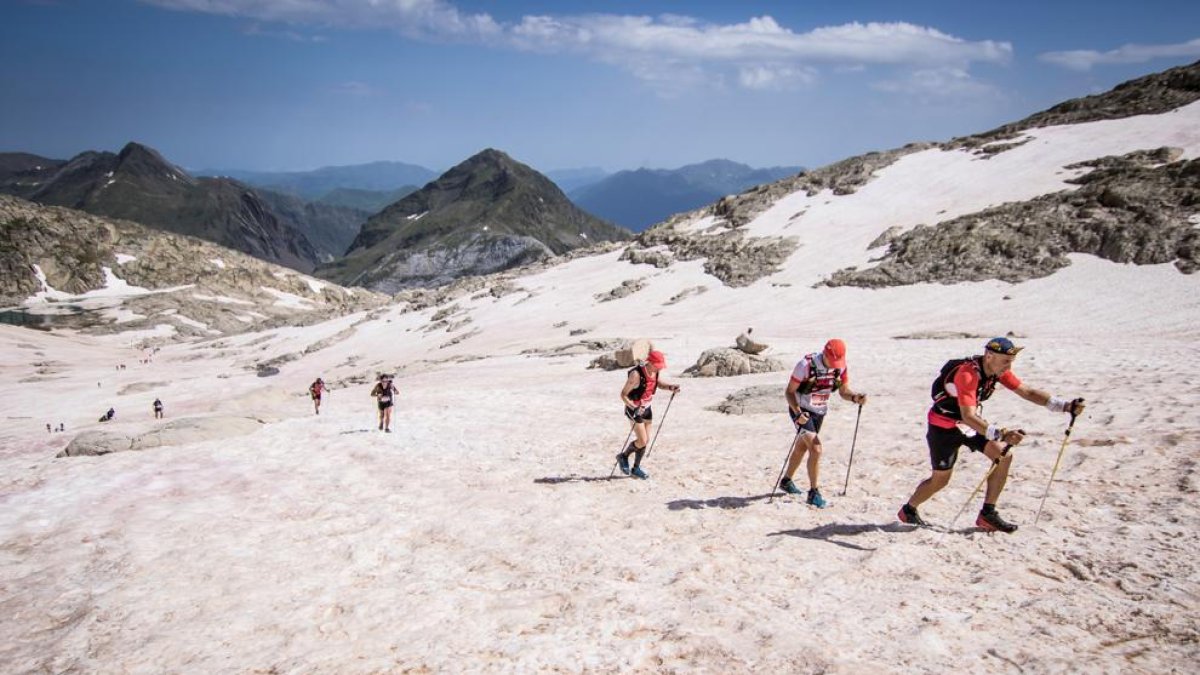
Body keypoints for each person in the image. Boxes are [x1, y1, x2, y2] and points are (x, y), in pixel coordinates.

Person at [897, 337, 1085, 533]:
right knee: (940, 480)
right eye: (1006, 360)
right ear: (989, 356)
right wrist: (1001, 434)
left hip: (969, 426)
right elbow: (968, 416)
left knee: (1003, 455)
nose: (1009, 365)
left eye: (1011, 361)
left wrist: (1064, 406)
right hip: (943, 429)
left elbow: (1027, 392)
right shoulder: (967, 374)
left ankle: (988, 513)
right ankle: (908, 510)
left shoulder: (997, 370)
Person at [781, 339, 867, 508]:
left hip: (819, 412)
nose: (834, 365)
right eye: (832, 361)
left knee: (802, 447)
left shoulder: (840, 367)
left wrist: (855, 397)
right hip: (801, 411)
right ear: (825, 353)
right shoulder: (805, 365)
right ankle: (814, 493)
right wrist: (798, 413)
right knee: (816, 448)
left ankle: (786, 481)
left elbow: (843, 391)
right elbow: (789, 392)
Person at [617, 350, 681, 480]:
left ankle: (636, 468)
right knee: (642, 440)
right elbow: (623, 395)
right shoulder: (636, 374)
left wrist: (670, 387)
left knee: (645, 441)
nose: (660, 367)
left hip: (647, 408)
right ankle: (623, 456)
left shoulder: (655, 371)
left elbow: (657, 384)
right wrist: (634, 407)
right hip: (634, 409)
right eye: (658, 365)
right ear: (650, 362)